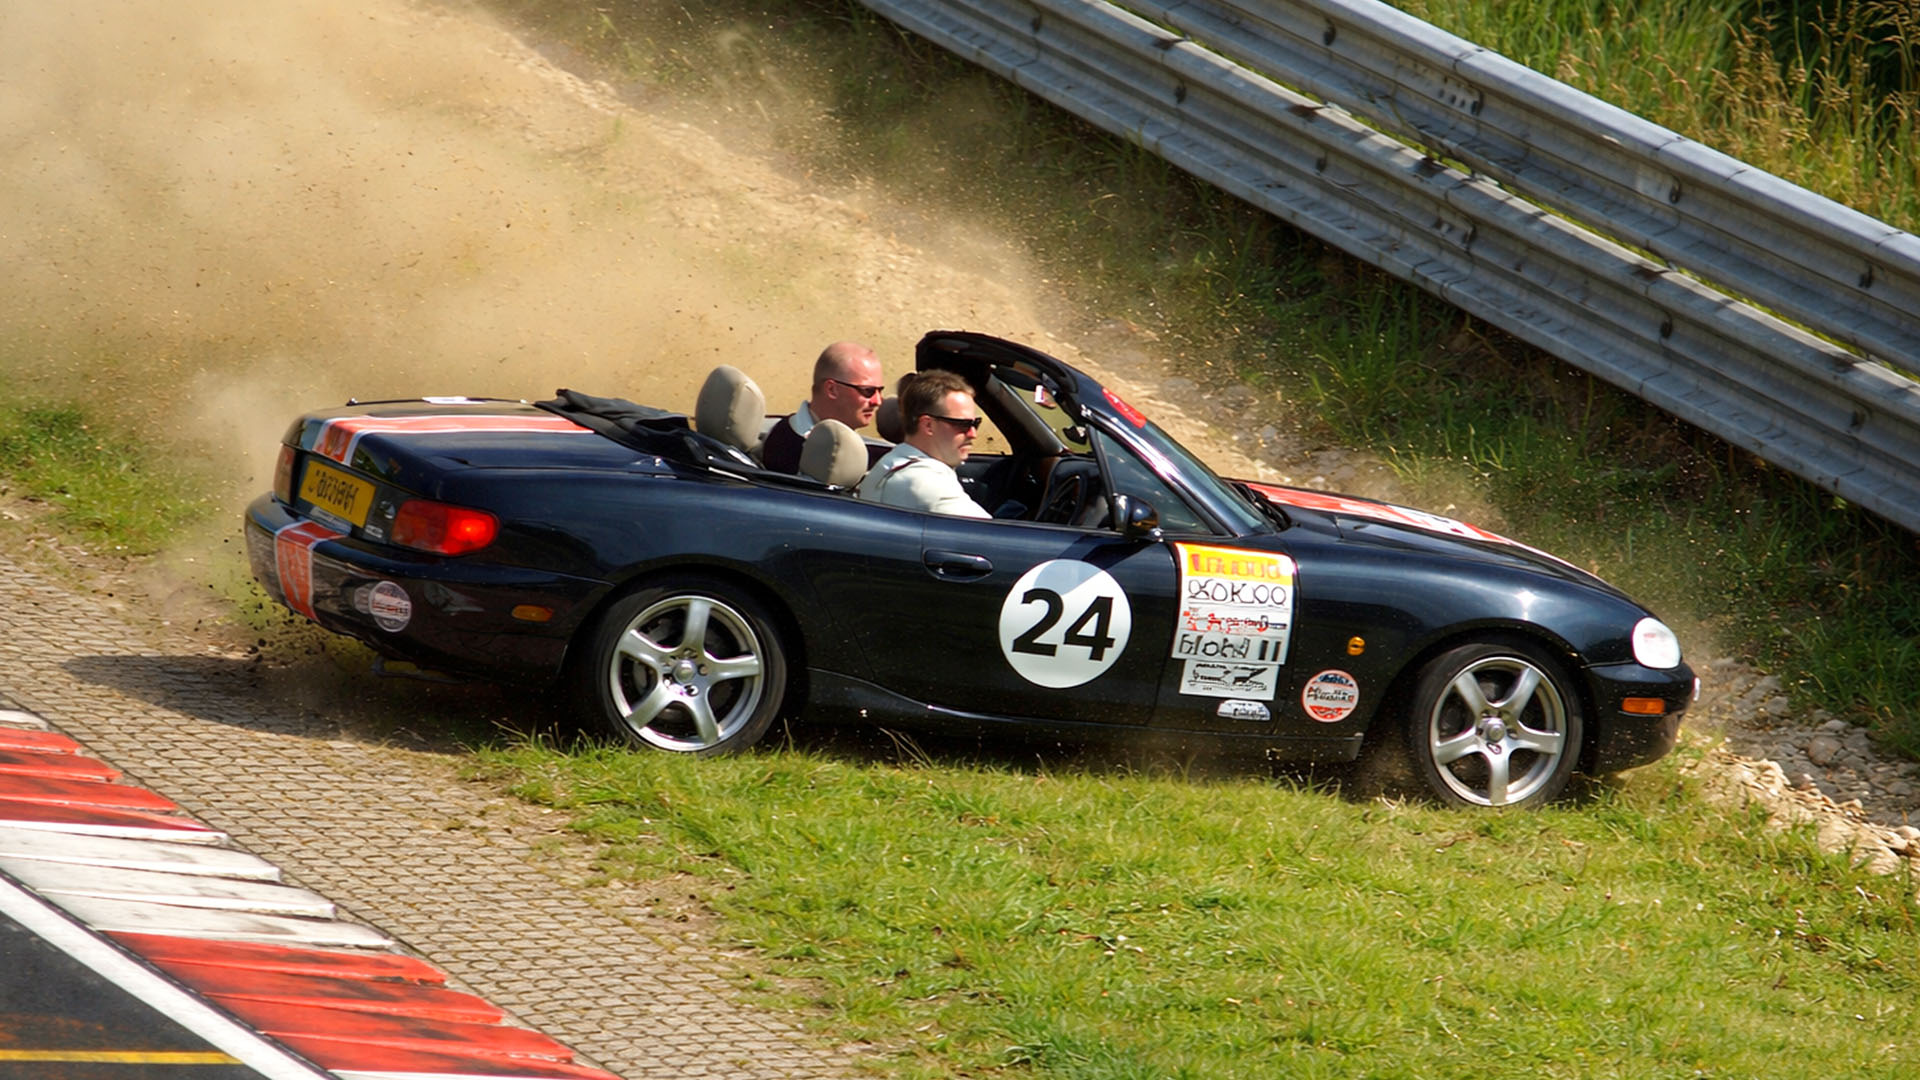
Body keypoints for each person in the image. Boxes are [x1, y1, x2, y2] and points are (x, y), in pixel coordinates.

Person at [856, 370, 990, 518]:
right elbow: (994, 538)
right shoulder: (928, 485)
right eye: (962, 424)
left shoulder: (886, 466)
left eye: (975, 423)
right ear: (928, 425)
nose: (973, 434)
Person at [761, 341, 887, 474]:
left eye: (880, 391)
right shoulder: (789, 449)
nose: (877, 401)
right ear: (832, 389)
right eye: (868, 391)